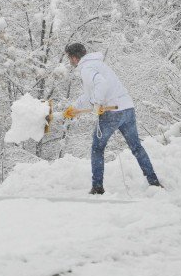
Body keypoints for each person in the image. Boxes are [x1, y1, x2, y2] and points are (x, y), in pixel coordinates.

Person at [62, 43, 162, 194]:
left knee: (97, 148)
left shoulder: (86, 68)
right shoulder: (97, 64)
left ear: (74, 57)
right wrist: (74, 107)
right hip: (127, 108)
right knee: (136, 147)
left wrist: (97, 103)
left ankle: (97, 187)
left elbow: (101, 84)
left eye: (69, 58)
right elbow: (91, 92)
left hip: (112, 113)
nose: (70, 61)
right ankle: (154, 182)